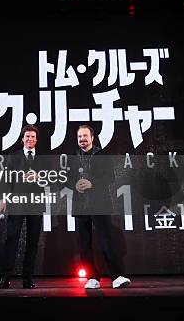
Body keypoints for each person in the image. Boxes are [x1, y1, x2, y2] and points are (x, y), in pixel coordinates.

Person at [70, 124, 130, 289]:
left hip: (100, 203)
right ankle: (92, 277)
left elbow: (110, 177)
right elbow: (66, 178)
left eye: (85, 136)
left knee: (106, 240)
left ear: (92, 137)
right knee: (84, 243)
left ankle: (116, 276)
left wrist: (92, 183)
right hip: (80, 205)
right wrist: (74, 184)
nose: (82, 139)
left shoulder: (101, 154)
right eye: (79, 137)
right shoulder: (73, 156)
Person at [0, 125, 44, 289]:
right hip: (16, 203)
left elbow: (54, 181)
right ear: (22, 139)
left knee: (32, 242)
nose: (30, 139)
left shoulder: (43, 159)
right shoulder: (13, 157)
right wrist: (2, 198)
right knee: (11, 239)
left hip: (36, 204)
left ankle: (27, 279)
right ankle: (5, 278)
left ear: (36, 140)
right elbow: (5, 180)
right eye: (27, 136)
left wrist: (39, 177)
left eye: (33, 137)